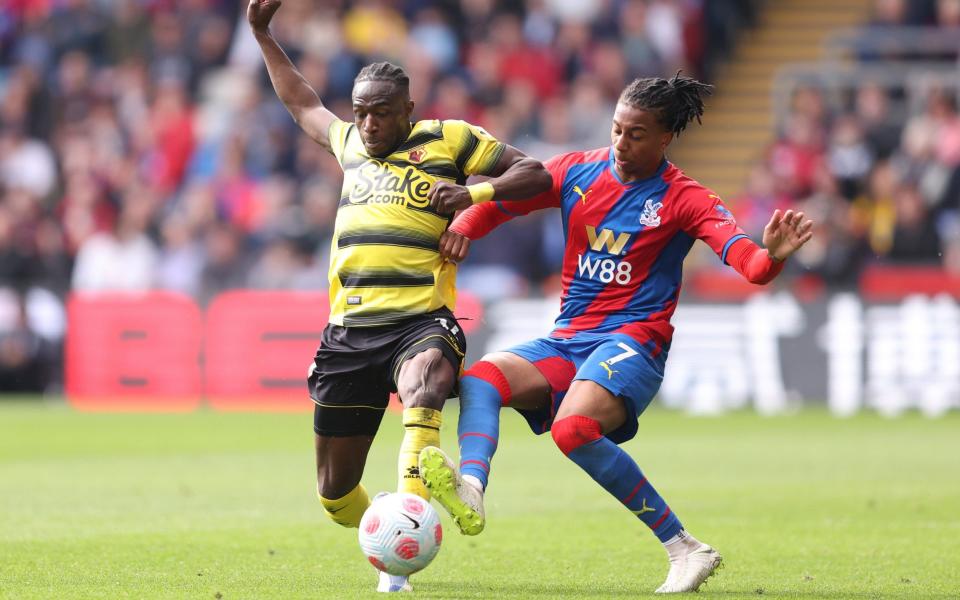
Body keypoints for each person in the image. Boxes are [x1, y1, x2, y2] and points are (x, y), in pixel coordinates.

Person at [418, 74, 814, 594]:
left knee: (572, 429)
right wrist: (464, 227)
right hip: (570, 339)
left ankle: (684, 548)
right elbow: (503, 204)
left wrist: (773, 255)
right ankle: (471, 488)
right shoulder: (576, 170)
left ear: (666, 137)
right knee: (483, 378)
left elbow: (751, 265)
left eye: (637, 134)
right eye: (617, 129)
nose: (622, 144)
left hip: (633, 341)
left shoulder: (684, 198)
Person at [246, 0, 552, 593]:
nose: (368, 124)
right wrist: (262, 33)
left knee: (428, 381)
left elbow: (536, 173)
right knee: (334, 494)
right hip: (350, 330)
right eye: (361, 113)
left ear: (408, 110)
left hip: (420, 319)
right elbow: (301, 101)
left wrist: (475, 194)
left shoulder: (451, 140)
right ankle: (393, 523)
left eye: (381, 114)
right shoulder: (349, 145)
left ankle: (403, 544)